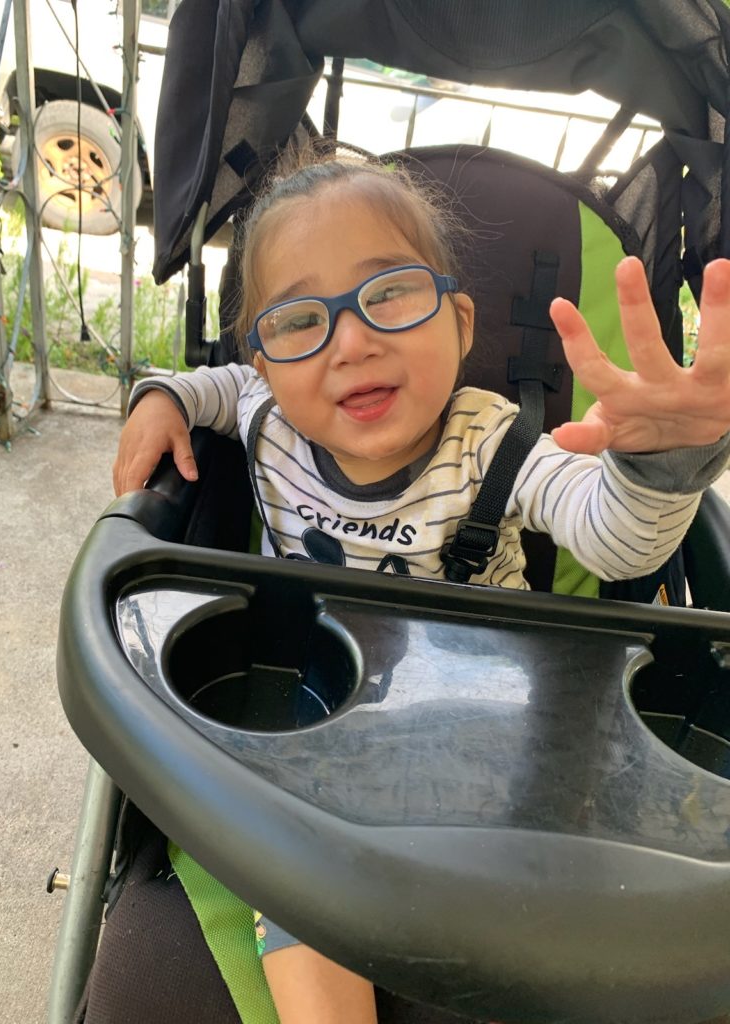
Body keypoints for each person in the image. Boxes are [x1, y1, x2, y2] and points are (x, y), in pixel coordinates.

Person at [113, 155, 730, 1024]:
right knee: (300, 897)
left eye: (391, 294)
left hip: (497, 748)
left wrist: (662, 464)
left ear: (461, 321)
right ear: (265, 359)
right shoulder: (265, 412)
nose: (351, 341)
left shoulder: (497, 442)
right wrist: (159, 399)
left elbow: (613, 536)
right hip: (319, 739)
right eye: (298, 320)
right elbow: (207, 388)